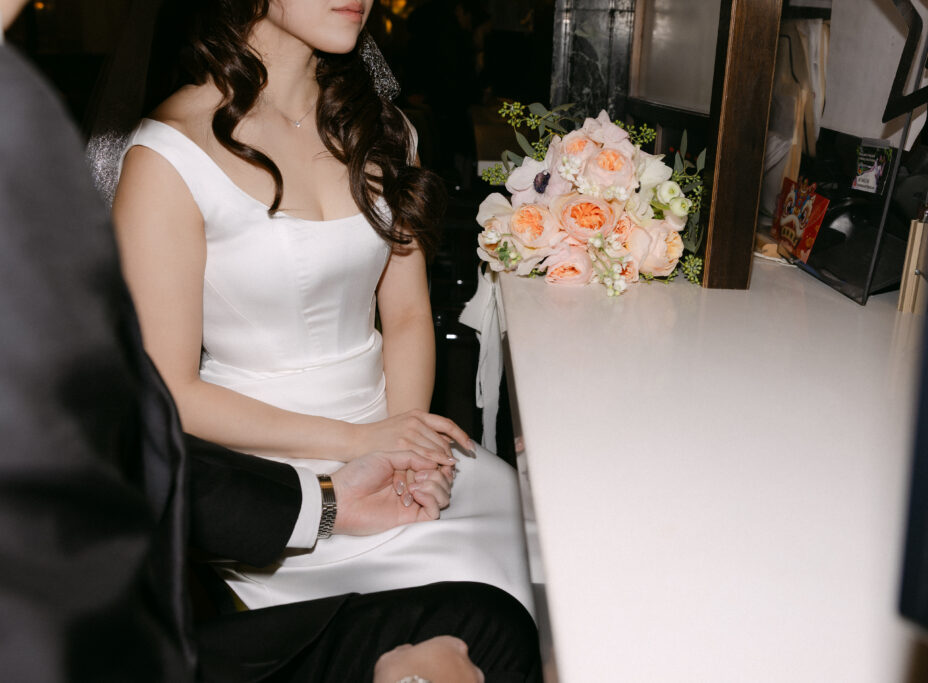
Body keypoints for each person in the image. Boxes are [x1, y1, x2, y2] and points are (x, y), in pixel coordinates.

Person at [0, 0, 540, 680]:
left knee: (542, 555)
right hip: (270, 480)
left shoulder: (385, 130)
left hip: (396, 450)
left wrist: (405, 441)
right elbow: (168, 395)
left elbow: (405, 317)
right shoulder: (168, 155)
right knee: (479, 603)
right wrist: (356, 445)